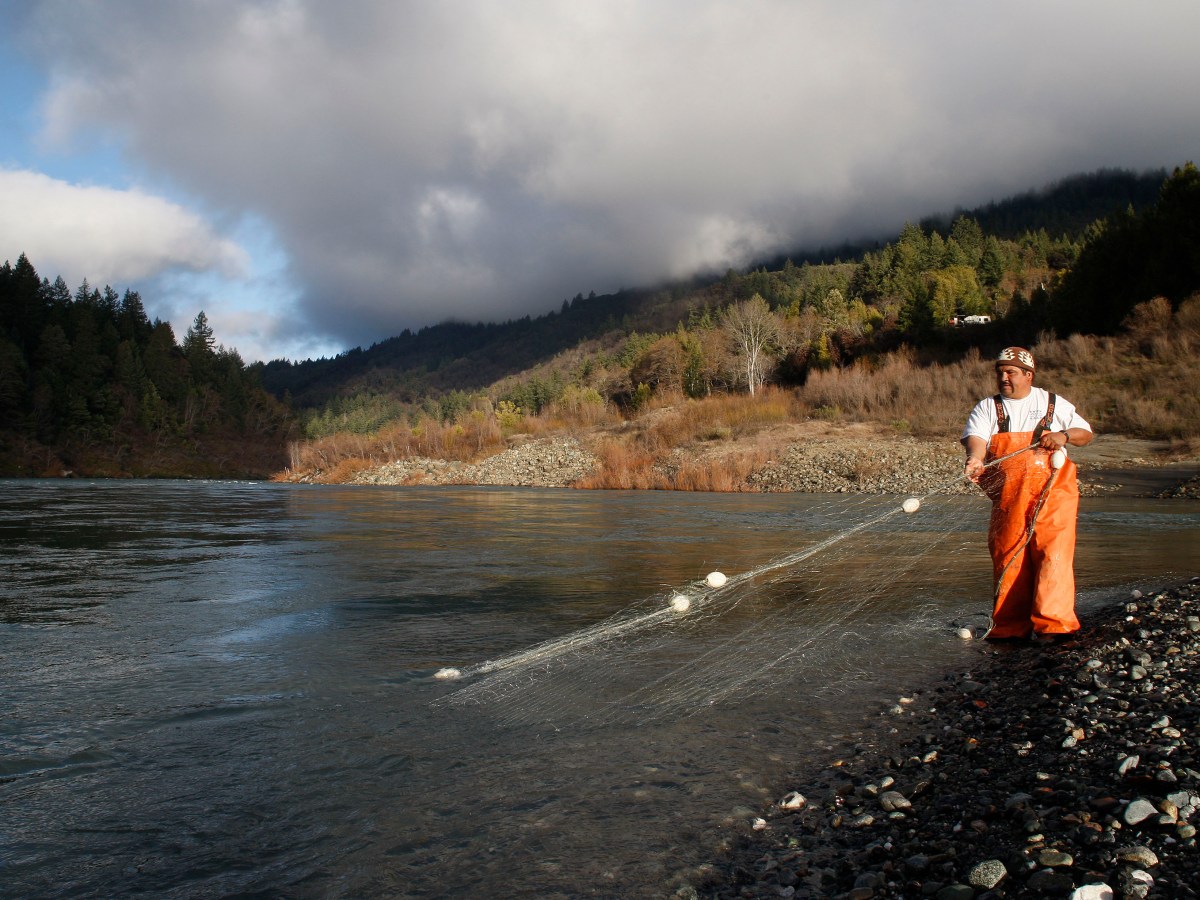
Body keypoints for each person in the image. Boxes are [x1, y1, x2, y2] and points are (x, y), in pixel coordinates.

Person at [962, 347, 1094, 641]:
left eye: (1010, 372)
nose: (1004, 378)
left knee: (1053, 556)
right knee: (1009, 557)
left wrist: (1063, 435)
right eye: (1000, 373)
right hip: (1010, 499)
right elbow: (977, 439)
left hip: (1055, 495)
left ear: (1028, 375)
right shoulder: (987, 407)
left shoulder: (1053, 403)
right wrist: (975, 458)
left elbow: (1085, 433)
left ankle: (1054, 627)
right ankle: (1010, 628)